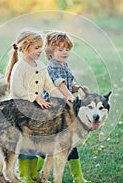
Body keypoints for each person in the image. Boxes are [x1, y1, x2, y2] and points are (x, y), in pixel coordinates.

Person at [5, 29, 64, 183]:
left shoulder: (41, 65)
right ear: (25, 48)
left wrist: (63, 98)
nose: (40, 51)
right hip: (19, 111)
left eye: (41, 47)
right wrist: (36, 98)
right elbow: (17, 90)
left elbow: (49, 86)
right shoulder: (20, 66)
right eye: (37, 48)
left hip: (34, 111)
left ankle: (33, 173)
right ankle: (24, 173)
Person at [41, 31, 91, 183]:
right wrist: (69, 95)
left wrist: (77, 88)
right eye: (60, 50)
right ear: (51, 52)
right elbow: (60, 84)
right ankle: (37, 172)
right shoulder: (53, 66)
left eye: (67, 49)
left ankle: (78, 177)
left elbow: (68, 83)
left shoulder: (64, 65)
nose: (65, 52)